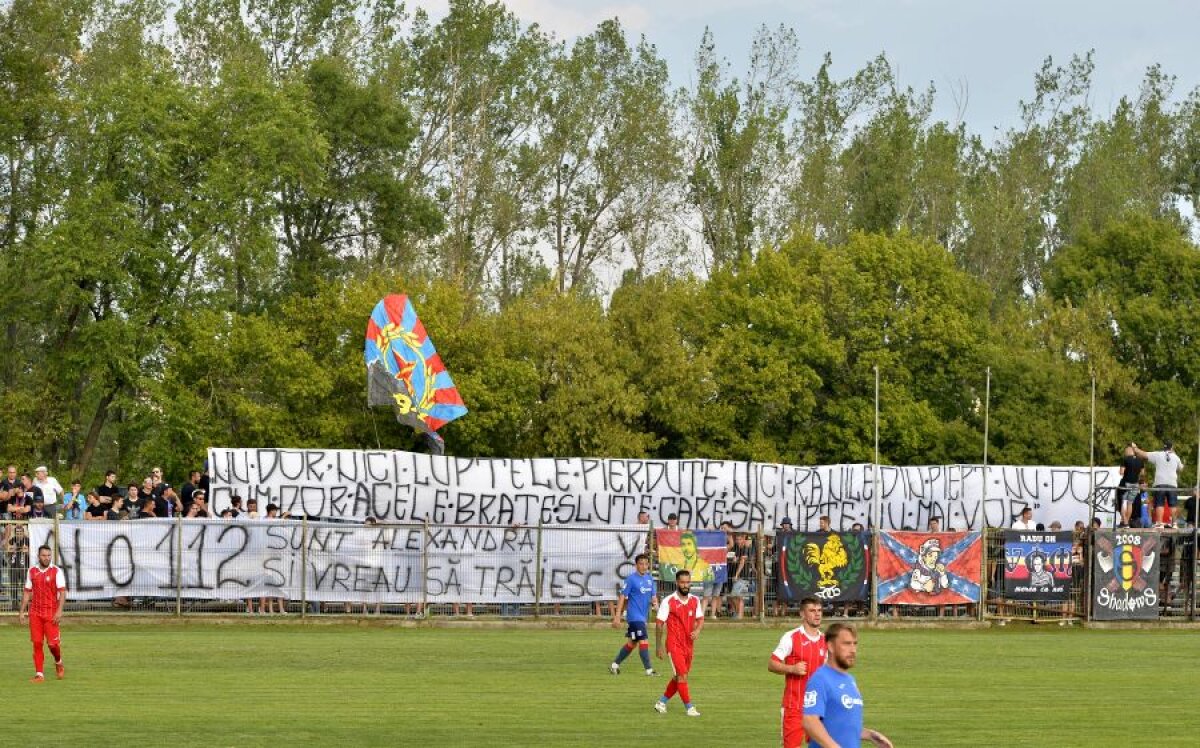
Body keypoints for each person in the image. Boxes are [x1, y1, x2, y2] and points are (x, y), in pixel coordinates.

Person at [802, 623, 892, 748]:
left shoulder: (850, 680)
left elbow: (843, 724)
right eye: (846, 644)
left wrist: (871, 735)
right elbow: (810, 721)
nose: (853, 650)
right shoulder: (820, 679)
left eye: (855, 644)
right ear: (830, 646)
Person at [768, 596, 827, 748]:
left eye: (819, 610)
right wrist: (792, 668)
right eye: (812, 611)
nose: (817, 614)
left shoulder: (826, 641)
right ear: (802, 614)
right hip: (793, 707)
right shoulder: (791, 637)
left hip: (817, 709)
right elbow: (772, 664)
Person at [653, 569, 704, 717]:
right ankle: (690, 708)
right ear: (677, 583)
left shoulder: (695, 600)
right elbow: (659, 624)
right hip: (674, 645)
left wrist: (698, 630)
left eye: (688, 582)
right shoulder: (668, 601)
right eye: (682, 582)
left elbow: (700, 619)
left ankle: (661, 703)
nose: (685, 585)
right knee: (682, 676)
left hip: (688, 645)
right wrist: (658, 646)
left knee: (679, 677)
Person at [19, 544, 66, 682]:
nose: (47, 558)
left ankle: (58, 662)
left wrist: (59, 611)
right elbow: (27, 592)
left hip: (51, 613)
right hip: (35, 613)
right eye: (44, 555)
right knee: (37, 643)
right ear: (38, 556)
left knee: (52, 645)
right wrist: (22, 612)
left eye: (49, 555)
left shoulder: (56, 571)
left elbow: (62, 592)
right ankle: (39, 674)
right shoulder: (32, 571)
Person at [610, 553, 658, 676]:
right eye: (641, 564)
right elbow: (622, 597)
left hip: (643, 617)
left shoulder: (650, 579)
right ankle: (649, 670)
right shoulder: (631, 579)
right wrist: (617, 616)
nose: (644, 566)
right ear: (636, 565)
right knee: (644, 641)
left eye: (646, 564)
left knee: (632, 643)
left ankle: (614, 665)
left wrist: (657, 607)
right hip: (634, 617)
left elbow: (653, 597)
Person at [1132, 441, 1184, 527]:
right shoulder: (1176, 457)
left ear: (1163, 448)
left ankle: (1159, 523)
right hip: (1172, 484)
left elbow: (1143, 454)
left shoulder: (1158, 454)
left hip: (1160, 483)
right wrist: (1175, 455)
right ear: (1172, 448)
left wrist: (1135, 448)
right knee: (1173, 504)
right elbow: (1181, 468)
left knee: (1159, 503)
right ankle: (1174, 524)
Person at [1117, 444, 1143, 527]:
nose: (1125, 453)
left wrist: (1125, 471)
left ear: (1129, 451)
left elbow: (1121, 472)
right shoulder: (1140, 460)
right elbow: (1142, 473)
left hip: (1125, 484)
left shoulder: (1125, 459)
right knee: (1130, 503)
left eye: (1125, 451)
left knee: (1123, 502)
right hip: (1135, 484)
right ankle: (1126, 522)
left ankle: (1125, 522)